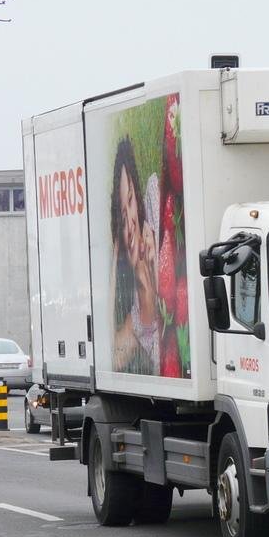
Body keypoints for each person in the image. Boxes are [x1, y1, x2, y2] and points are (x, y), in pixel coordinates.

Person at [111, 136, 161, 375]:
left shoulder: (155, 210)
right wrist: (115, 256)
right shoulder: (137, 320)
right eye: (122, 218)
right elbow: (112, 360)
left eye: (130, 199)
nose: (129, 223)